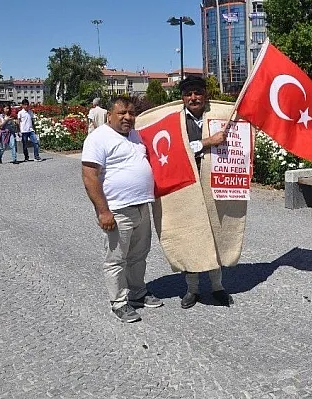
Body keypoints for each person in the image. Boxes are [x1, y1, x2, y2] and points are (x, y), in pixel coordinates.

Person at [81, 97, 163, 323]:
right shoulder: (98, 138)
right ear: (109, 115)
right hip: (117, 209)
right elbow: (90, 176)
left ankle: (137, 293)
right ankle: (118, 301)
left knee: (139, 255)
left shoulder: (136, 136)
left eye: (131, 113)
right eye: (122, 113)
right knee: (116, 259)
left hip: (141, 206)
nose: (128, 117)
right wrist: (103, 211)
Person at [177, 75, 232, 309]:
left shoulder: (217, 117)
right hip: (186, 185)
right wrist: (208, 142)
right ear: (182, 98)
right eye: (189, 94)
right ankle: (192, 289)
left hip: (213, 183)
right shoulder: (175, 121)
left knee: (215, 232)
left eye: (197, 93)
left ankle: (217, 286)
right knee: (190, 235)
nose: (193, 98)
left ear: (205, 95)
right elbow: (178, 150)